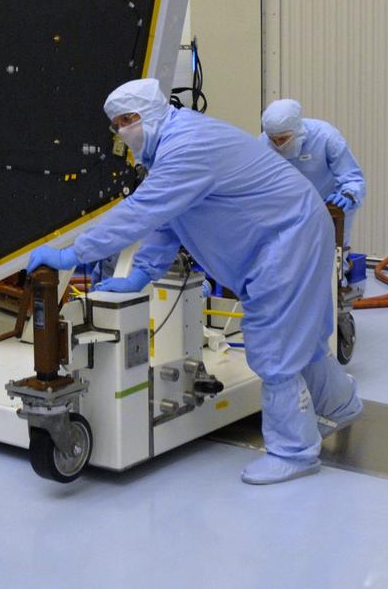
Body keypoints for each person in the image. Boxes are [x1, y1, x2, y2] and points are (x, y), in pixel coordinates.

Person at [27, 78, 361, 485]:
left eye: (127, 121)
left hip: (287, 237)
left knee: (274, 345)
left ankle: (294, 452)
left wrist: (72, 254)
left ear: (150, 114)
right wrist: (142, 274)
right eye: (115, 124)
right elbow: (170, 218)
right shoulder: (175, 146)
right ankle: (342, 406)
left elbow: (141, 211)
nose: (121, 132)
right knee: (301, 339)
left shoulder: (186, 147)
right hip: (291, 231)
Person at [259, 99, 365, 247]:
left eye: (283, 138)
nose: (278, 144)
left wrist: (348, 194)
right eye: (273, 139)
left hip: (329, 207)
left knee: (332, 256)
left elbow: (351, 177)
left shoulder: (325, 136)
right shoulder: (264, 143)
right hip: (289, 209)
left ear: (296, 129)